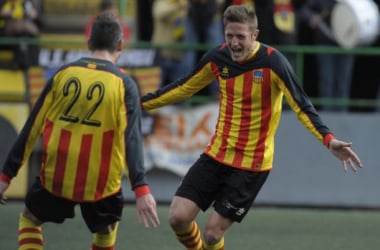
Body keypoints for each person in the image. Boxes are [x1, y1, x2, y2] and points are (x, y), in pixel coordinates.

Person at [141, 5, 362, 250]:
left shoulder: (273, 62)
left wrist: (328, 139)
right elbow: (182, 88)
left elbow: (302, 106)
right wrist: (140, 103)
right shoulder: (217, 58)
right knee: (177, 217)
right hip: (216, 155)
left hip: (251, 165)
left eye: (241, 37)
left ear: (255, 35)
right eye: (229, 36)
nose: (234, 43)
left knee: (213, 234)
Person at [0, 12, 160, 250]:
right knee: (106, 231)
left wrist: (5, 177)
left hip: (58, 176)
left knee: (30, 219)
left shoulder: (62, 74)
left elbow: (32, 128)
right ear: (120, 46)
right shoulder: (125, 83)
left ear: (88, 43)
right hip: (101, 182)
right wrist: (141, 188)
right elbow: (132, 138)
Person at [298, 0, 355, 111]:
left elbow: (365, 11)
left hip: (347, 42)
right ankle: (327, 118)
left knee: (343, 84)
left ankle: (343, 117)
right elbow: (303, 10)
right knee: (327, 82)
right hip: (325, 42)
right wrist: (312, 17)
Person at [152, 0, 188, 88]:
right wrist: (177, 7)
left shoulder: (185, 5)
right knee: (156, 89)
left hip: (178, 55)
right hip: (161, 53)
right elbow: (159, 14)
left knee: (180, 90)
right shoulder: (162, 3)